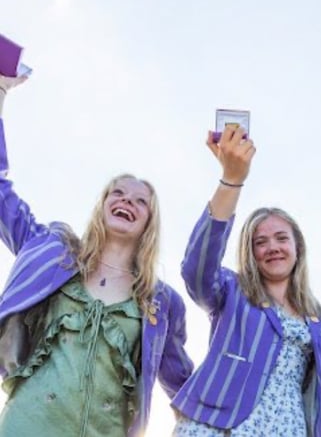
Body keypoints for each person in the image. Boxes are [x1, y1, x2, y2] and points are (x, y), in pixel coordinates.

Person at [0, 75, 193, 437]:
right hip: (27, 425)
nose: (126, 202)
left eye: (139, 201)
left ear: (150, 222)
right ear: (102, 205)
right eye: (117, 194)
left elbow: (186, 389)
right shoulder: (51, 252)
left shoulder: (162, 302)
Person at [171, 126, 321, 437]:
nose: (272, 247)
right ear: (250, 252)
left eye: (281, 238)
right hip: (218, 427)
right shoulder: (231, 292)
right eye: (261, 242)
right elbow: (196, 268)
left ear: (297, 248)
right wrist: (231, 181)